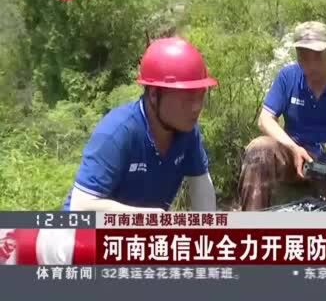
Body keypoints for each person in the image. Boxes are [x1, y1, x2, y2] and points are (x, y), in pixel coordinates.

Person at [61, 37, 218, 212]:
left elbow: (201, 185)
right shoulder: (117, 132)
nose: (197, 107)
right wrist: (148, 218)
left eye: (201, 96)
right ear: (154, 95)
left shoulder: (186, 131)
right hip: (83, 235)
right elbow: (81, 206)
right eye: (188, 98)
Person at [238, 21, 326, 211]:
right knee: (259, 148)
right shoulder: (288, 77)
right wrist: (292, 148)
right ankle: (250, 227)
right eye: (303, 56)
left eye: (317, 56)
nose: (310, 64)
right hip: (295, 157)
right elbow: (265, 119)